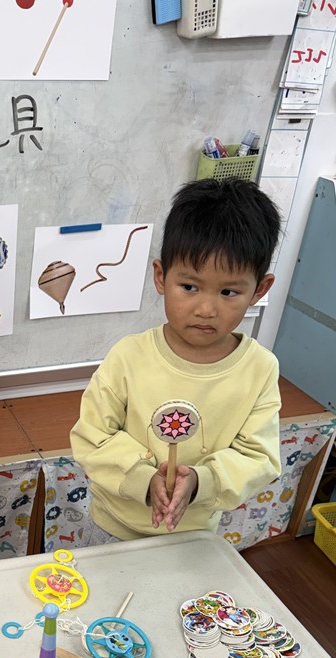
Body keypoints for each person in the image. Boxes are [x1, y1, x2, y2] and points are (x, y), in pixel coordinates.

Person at [70, 177, 282, 543]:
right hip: (111, 525)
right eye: (189, 287)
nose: (206, 309)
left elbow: (259, 457)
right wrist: (142, 478)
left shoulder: (260, 369)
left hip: (192, 535)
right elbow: (92, 435)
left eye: (228, 291)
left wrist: (202, 481)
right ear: (161, 276)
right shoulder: (129, 356)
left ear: (259, 290)